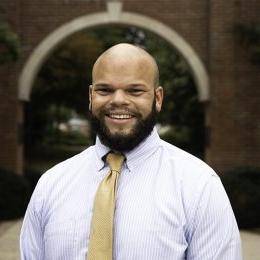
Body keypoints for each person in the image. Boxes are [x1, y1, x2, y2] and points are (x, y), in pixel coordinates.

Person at [20, 43, 242, 259]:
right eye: (105, 90)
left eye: (134, 91)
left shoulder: (200, 186)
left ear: (157, 98)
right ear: (90, 96)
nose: (118, 100)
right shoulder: (51, 185)